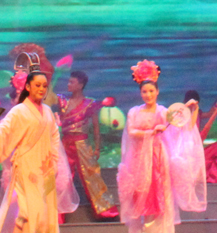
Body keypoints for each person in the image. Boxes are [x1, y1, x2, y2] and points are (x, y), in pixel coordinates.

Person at [117, 60, 206, 233]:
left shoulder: (163, 112)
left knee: (159, 199)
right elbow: (131, 132)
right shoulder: (134, 111)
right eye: (144, 91)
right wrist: (151, 131)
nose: (148, 94)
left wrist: (190, 109)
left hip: (158, 160)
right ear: (140, 93)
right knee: (140, 199)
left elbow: (182, 126)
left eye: (151, 91)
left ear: (157, 92)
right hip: (138, 161)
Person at [0, 69, 62, 232]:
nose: (41, 89)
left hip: (46, 167)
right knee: (28, 210)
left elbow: (54, 135)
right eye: (37, 85)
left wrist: (55, 160)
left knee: (46, 210)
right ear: (28, 87)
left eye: (44, 86)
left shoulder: (47, 111)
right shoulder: (18, 111)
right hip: (26, 166)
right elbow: (4, 132)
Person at [56, 70, 119, 220]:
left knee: (92, 176)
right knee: (62, 178)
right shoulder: (62, 101)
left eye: (72, 82)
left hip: (82, 143)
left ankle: (105, 210)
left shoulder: (90, 104)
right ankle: (57, 213)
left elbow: (95, 127)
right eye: (68, 81)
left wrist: (97, 147)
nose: (68, 84)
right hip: (65, 143)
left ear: (80, 85)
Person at [183, 89, 217, 183]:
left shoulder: (198, 113)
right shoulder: (180, 118)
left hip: (199, 151)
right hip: (187, 156)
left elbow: (211, 113)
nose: (192, 105)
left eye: (195, 103)